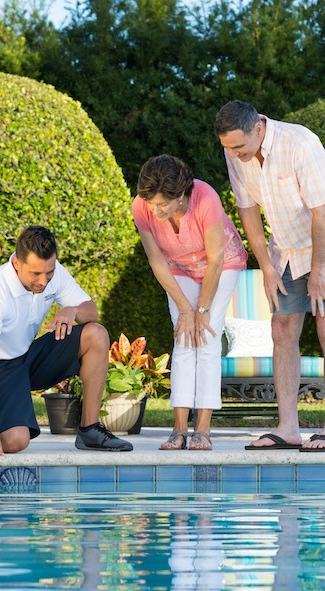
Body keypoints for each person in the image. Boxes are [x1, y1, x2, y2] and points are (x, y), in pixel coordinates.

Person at [214, 100, 325, 453]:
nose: (233, 155)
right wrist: (266, 267)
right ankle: (288, 428)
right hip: (287, 245)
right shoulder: (235, 153)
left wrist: (318, 272)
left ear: (258, 128)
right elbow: (248, 210)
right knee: (281, 328)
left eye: (238, 147)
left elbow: (322, 213)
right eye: (227, 148)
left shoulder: (300, 143)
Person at [0, 225, 132, 456]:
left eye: (48, 273)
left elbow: (91, 311)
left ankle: (89, 429)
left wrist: (72, 311)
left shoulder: (53, 273)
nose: (43, 281)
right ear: (16, 263)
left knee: (96, 334)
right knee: (14, 442)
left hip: (27, 357)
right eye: (35, 274)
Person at [132, 155, 248, 450]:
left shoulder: (205, 198)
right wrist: (185, 309)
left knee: (206, 337)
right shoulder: (141, 207)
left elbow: (216, 259)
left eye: (162, 204)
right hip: (178, 267)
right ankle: (179, 429)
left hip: (222, 264)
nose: (155, 210)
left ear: (180, 194)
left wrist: (202, 310)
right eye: (151, 203)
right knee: (183, 339)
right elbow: (156, 260)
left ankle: (203, 430)